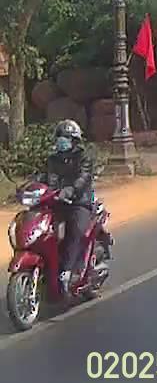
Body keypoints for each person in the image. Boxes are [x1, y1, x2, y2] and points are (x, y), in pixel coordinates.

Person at [38, 120, 95, 295]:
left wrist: (71, 190)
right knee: (44, 231)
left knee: (75, 230)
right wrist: (30, 186)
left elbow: (83, 177)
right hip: (55, 202)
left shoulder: (83, 157)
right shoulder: (52, 159)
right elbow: (44, 176)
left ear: (74, 140)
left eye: (66, 138)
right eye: (60, 137)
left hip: (79, 202)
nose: (62, 141)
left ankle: (69, 271)